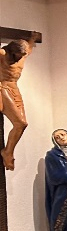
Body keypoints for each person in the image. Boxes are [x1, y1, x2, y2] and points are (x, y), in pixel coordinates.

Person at [0, 35, 35, 171]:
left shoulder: (24, 53)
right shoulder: (3, 54)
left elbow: (29, 47)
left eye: (23, 54)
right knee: (20, 122)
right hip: (4, 88)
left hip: (15, 88)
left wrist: (33, 38)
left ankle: (8, 151)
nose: (21, 57)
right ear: (12, 51)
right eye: (19, 54)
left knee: (23, 124)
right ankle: (8, 152)